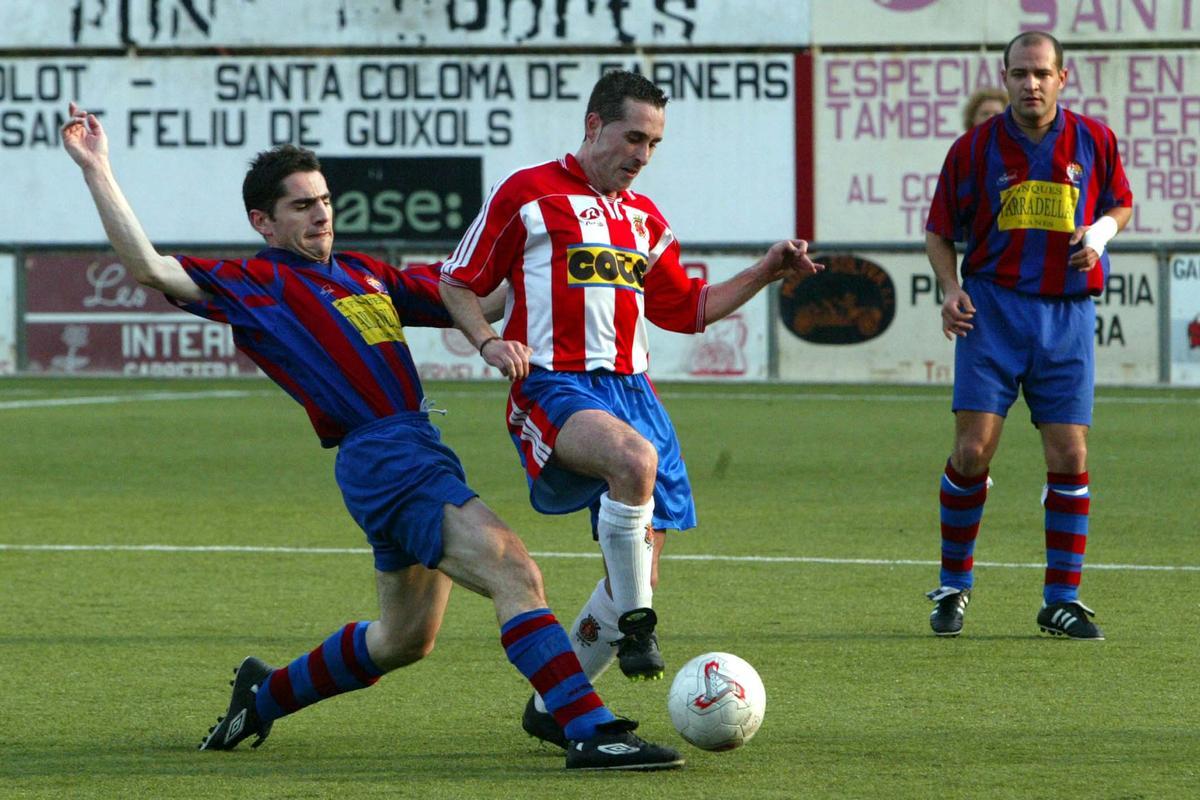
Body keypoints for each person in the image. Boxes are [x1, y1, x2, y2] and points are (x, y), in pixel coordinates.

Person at [60, 101, 683, 771]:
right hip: (383, 456)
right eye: (300, 206)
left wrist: (549, 252)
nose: (320, 213)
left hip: (411, 449)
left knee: (405, 638)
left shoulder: (366, 272)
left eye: (324, 200)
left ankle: (263, 695)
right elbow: (152, 267)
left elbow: (471, 293)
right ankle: (588, 728)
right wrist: (97, 167)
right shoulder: (258, 282)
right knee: (513, 569)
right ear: (263, 223)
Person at [438, 70, 823, 746]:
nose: (642, 155)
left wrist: (765, 271)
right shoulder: (528, 195)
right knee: (631, 463)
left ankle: (555, 703)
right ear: (593, 126)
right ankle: (642, 631)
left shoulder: (645, 221)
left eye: (654, 143)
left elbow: (689, 308)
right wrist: (489, 342)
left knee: (633, 574)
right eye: (633, 137)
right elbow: (458, 280)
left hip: (635, 392)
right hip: (555, 383)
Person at [923, 32, 1133, 639]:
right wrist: (949, 287)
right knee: (972, 452)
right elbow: (939, 231)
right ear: (1006, 76)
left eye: (1041, 73)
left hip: (1066, 317)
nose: (1030, 84)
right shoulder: (974, 148)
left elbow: (1120, 204)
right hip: (992, 313)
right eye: (1019, 74)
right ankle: (953, 586)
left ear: (1062, 78)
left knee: (1070, 455)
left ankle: (1061, 598)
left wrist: (1096, 236)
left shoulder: (1094, 139)